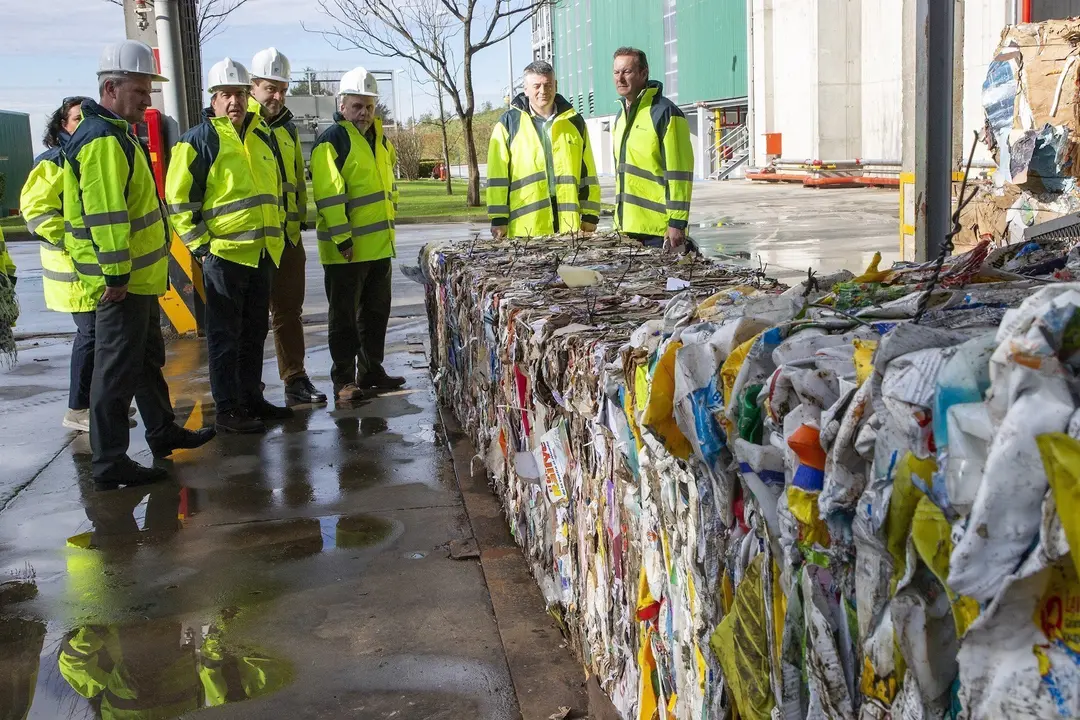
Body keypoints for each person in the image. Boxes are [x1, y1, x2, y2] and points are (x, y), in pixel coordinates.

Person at [64, 40, 215, 490]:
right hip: (121, 283)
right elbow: (106, 215)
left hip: (138, 280)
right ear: (111, 88)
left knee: (146, 362)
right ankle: (110, 462)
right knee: (115, 373)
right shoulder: (102, 140)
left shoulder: (116, 134)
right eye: (140, 90)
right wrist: (115, 276)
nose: (147, 99)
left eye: (148, 90)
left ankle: (162, 431)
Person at [166, 58, 291, 434]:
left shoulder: (261, 136)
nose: (233, 101)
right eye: (225, 95)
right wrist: (202, 248)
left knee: (254, 333)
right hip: (223, 256)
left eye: (238, 93)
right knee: (224, 338)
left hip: (262, 253)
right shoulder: (197, 141)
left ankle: (251, 398)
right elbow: (179, 201)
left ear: (247, 95)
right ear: (214, 100)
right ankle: (228, 409)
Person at [20, 96, 132, 433]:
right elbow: (35, 212)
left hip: (90, 265)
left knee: (101, 336)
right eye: (75, 119)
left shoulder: (83, 154)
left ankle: (96, 404)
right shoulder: (54, 161)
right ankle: (78, 408)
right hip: (71, 269)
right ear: (61, 126)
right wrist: (73, 239)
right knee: (90, 335)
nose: (83, 123)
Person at [310, 66, 404, 402]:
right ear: (342, 105)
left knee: (375, 316)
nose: (364, 112)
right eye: (357, 106)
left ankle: (371, 370)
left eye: (369, 106)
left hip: (379, 247)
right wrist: (342, 239)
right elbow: (328, 195)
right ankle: (344, 381)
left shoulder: (381, 141)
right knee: (344, 320)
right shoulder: (332, 141)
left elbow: (387, 191)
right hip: (346, 251)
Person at [249, 47, 326, 407]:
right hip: (252, 241)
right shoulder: (239, 127)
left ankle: (294, 378)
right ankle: (248, 390)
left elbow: (296, 182)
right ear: (253, 87)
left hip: (288, 237)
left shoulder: (287, 129)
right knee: (249, 319)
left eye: (282, 89)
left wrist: (296, 228)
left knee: (289, 312)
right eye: (270, 88)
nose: (277, 97)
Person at [487, 60, 600, 239]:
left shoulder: (575, 122)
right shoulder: (508, 124)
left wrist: (590, 215)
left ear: (556, 85)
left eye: (548, 85)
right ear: (525, 89)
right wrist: (498, 218)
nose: (543, 91)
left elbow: (588, 172)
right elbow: (497, 175)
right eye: (537, 86)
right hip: (526, 226)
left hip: (568, 225)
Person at [611, 47, 694, 252]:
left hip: (658, 231)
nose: (620, 78)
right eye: (616, 72)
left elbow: (679, 173)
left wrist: (677, 222)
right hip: (627, 229)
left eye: (627, 71)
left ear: (643, 73)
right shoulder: (620, 117)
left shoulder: (665, 113)